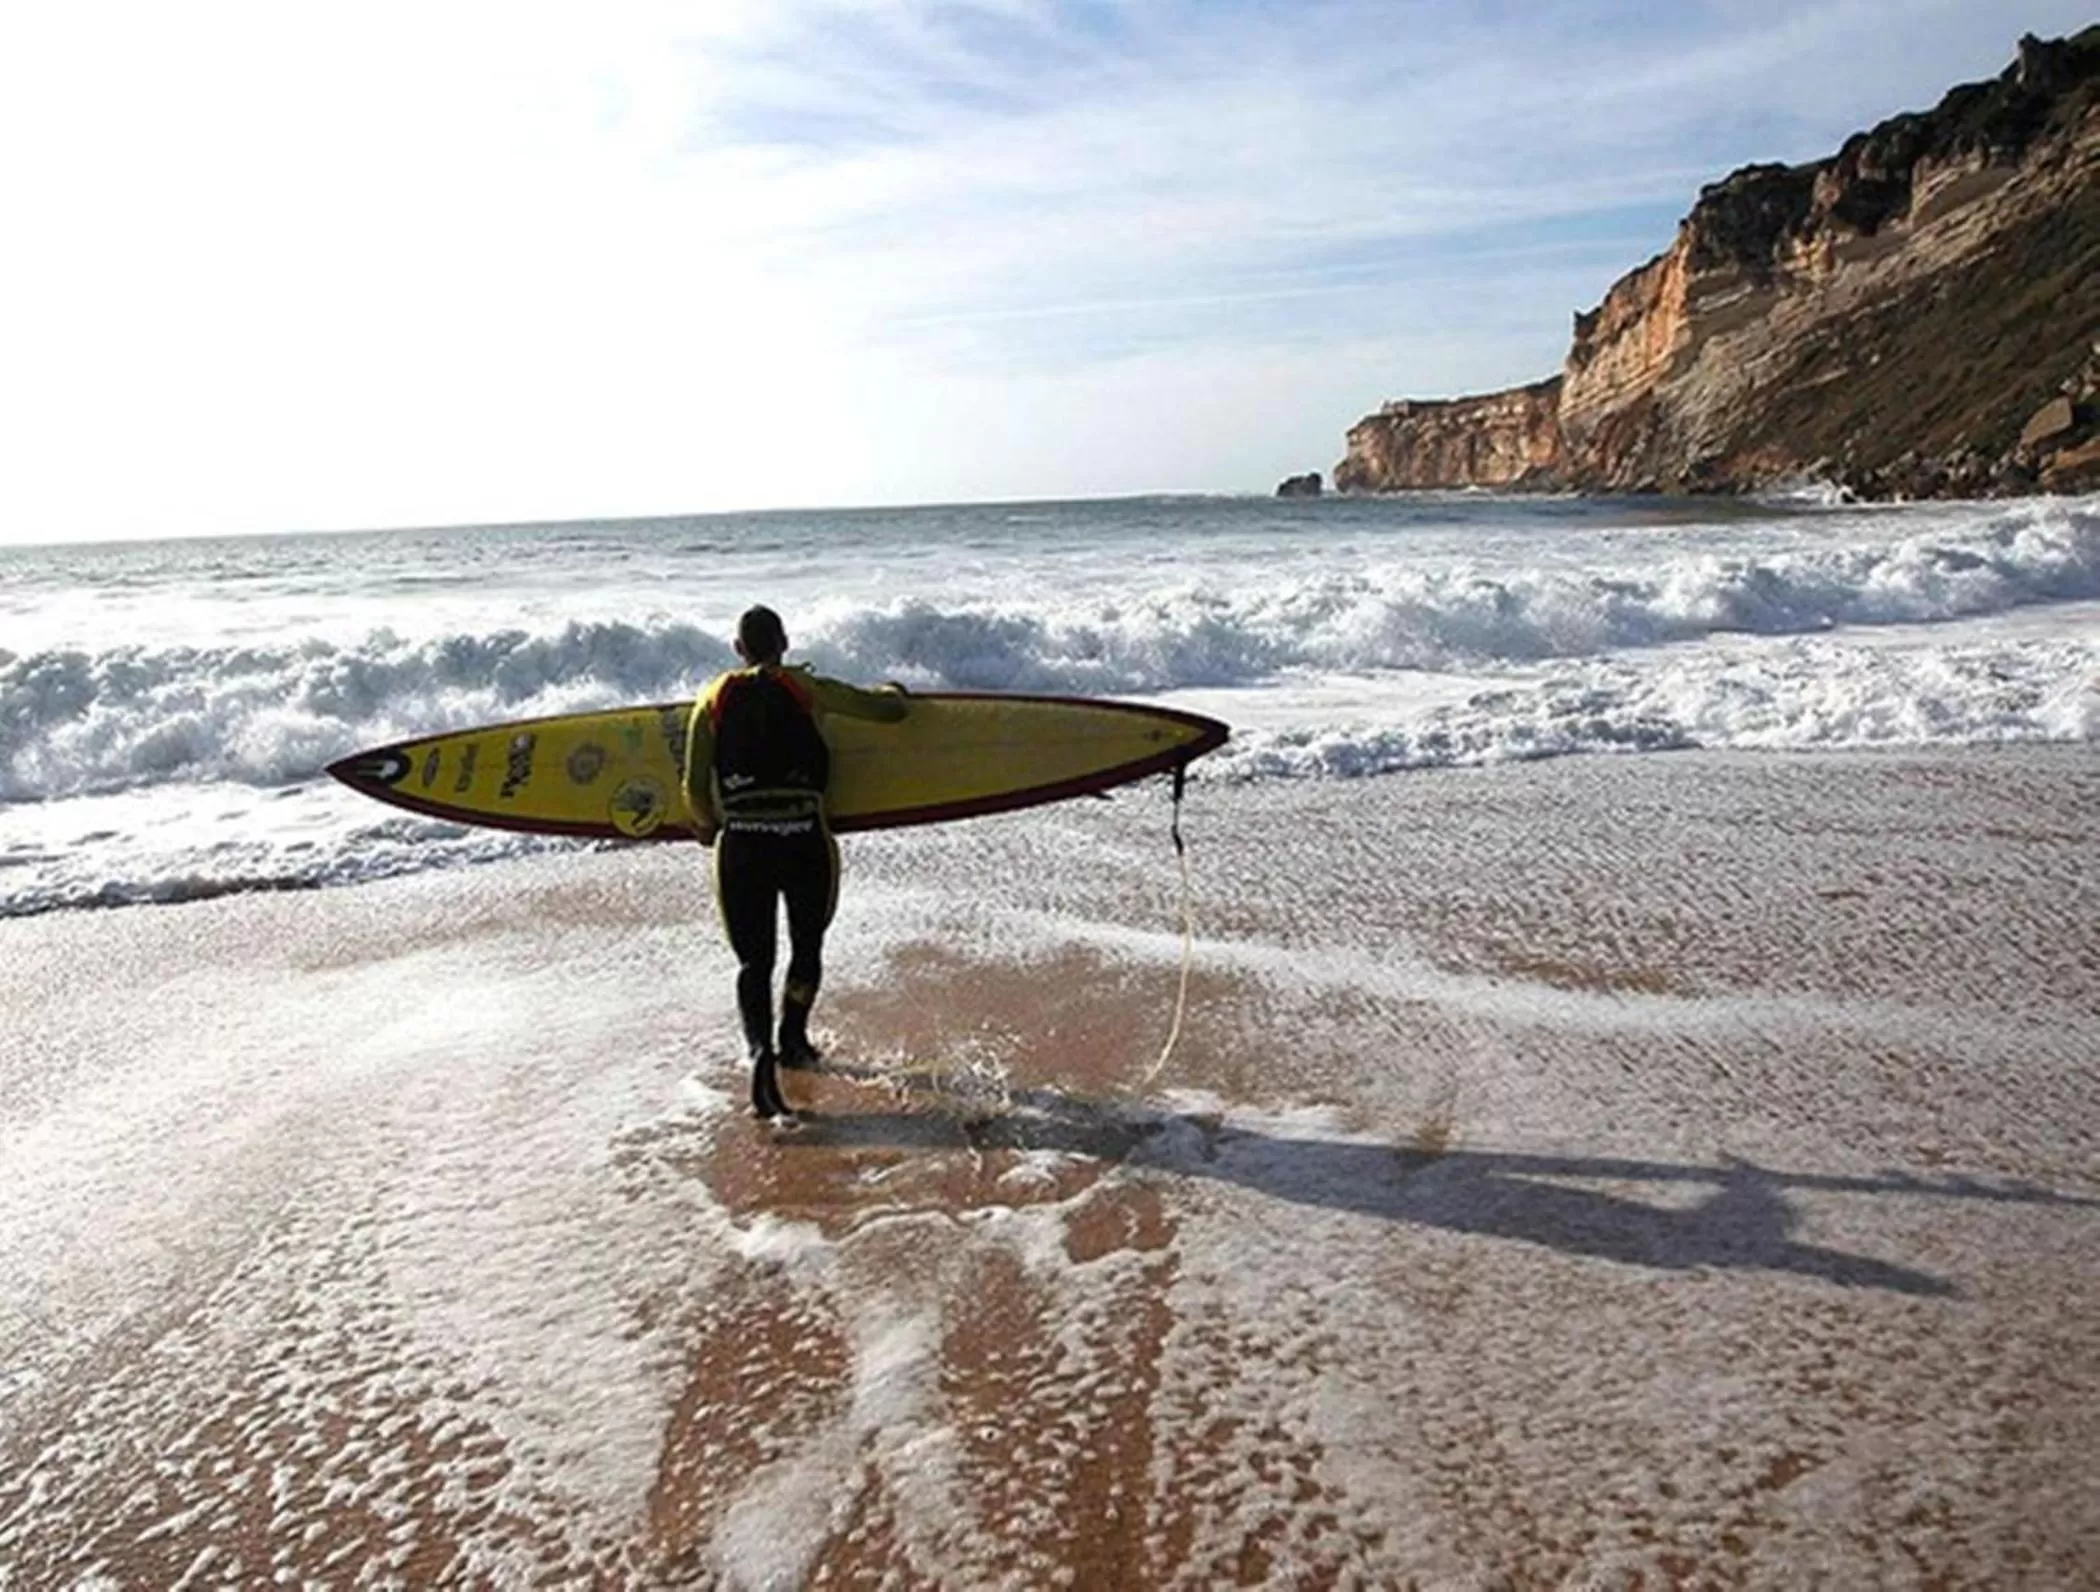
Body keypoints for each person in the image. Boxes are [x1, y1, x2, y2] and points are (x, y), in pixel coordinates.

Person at [681, 605, 909, 1119]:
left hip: (742, 844)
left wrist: (706, 825)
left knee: (753, 961)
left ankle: (759, 1051)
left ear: (738, 649)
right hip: (803, 836)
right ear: (784, 642)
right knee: (807, 946)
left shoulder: (712, 698)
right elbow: (885, 711)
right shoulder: (806, 688)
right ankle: (794, 1037)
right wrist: (894, 692)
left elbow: (693, 786)